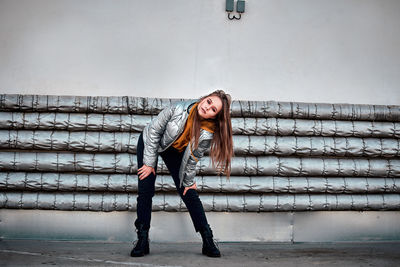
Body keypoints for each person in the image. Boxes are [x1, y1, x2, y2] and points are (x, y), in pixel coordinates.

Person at [131, 90, 233, 258]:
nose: (208, 108)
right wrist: (149, 164)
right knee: (146, 188)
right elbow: (155, 131)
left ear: (215, 116)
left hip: (174, 150)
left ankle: (208, 239)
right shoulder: (177, 109)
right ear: (203, 99)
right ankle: (142, 239)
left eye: (213, 109)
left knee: (189, 192)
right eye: (208, 102)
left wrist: (188, 180)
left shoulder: (207, 133)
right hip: (150, 141)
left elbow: (193, 158)